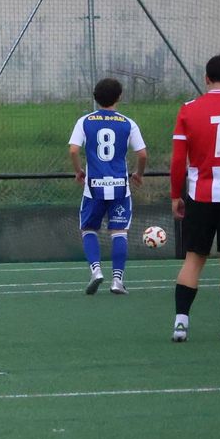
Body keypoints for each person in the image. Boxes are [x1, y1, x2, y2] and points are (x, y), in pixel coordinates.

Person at [69, 78, 148, 296]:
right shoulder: (128, 123)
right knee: (119, 232)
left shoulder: (84, 121)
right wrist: (138, 174)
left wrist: (78, 171)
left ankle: (95, 271)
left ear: (95, 96)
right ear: (119, 97)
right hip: (120, 187)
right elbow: (142, 154)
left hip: (93, 187)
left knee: (88, 229)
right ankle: (117, 281)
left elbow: (74, 150)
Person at [169, 54, 220, 343]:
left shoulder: (189, 109)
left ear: (206, 78)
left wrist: (175, 195)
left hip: (200, 194)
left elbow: (179, 159)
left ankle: (181, 323)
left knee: (194, 259)